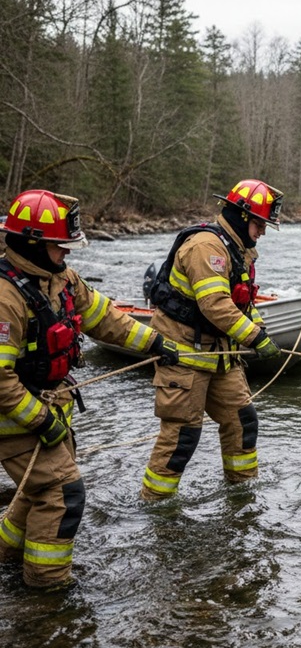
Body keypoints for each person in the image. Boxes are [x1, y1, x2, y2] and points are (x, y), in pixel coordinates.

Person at [0, 189, 179, 589]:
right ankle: (46, 590)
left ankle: (7, 556)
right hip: (14, 418)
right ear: (32, 243)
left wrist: (153, 342)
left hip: (47, 407)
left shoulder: (59, 279)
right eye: (60, 247)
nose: (67, 254)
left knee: (36, 490)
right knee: (63, 492)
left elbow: (105, 317)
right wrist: (42, 419)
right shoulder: (5, 297)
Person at [140, 179, 284, 501]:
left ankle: (242, 491)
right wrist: (255, 338)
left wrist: (262, 331)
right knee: (182, 436)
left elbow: (242, 305)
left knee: (243, 421)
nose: (262, 232)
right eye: (260, 224)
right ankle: (155, 504)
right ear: (242, 217)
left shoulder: (239, 251)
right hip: (184, 356)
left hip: (220, 354)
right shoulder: (206, 247)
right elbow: (215, 305)